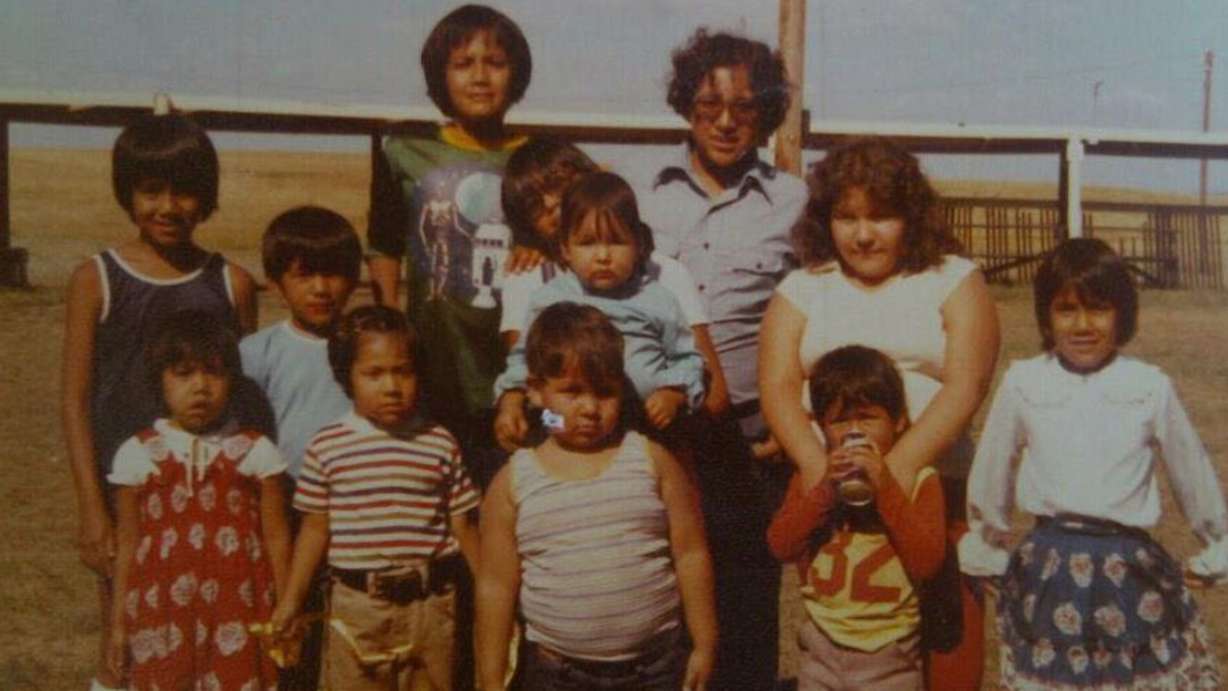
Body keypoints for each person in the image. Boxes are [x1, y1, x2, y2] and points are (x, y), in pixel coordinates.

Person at [759, 136, 999, 689]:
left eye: (882, 216)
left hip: (934, 485)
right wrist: (817, 465)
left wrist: (903, 465)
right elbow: (777, 385)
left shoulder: (953, 278)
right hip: (834, 496)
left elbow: (968, 383)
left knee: (949, 645)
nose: (863, 234)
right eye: (846, 217)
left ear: (911, 217)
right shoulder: (802, 288)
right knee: (852, 643)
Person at [962, 237, 1227, 689]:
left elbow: (1191, 471)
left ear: (1122, 314)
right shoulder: (1025, 382)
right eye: (1066, 309)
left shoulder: (1147, 386)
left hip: (1130, 570)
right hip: (1049, 572)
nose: (1082, 324)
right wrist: (984, 544)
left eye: (1098, 309)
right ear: (1047, 314)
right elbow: (993, 466)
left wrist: (1218, 543)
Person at [633, 28, 808, 690]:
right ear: (686, 107)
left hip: (750, 447)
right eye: (710, 106)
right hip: (659, 437)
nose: (727, 122)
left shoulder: (795, 203)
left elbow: (822, 318)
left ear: (767, 112)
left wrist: (797, 424)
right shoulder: (645, 200)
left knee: (743, 619)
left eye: (745, 107)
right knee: (660, 610)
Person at [61, 112, 258, 691]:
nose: (168, 206)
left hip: (212, 508)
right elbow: (74, 402)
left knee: (207, 648)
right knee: (123, 642)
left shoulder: (232, 283)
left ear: (208, 196)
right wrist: (92, 509)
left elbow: (243, 402)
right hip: (129, 501)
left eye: (185, 190)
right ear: (128, 194)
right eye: (151, 191)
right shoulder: (95, 279)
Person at [476, 302, 717, 691]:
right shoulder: (513, 482)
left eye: (604, 392)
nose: (589, 408)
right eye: (571, 392)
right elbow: (495, 586)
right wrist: (489, 678)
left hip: (655, 671)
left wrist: (705, 644)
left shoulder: (652, 461)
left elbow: (691, 554)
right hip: (558, 675)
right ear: (535, 392)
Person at [366, 3, 534, 489]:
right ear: (440, 75)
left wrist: (545, 244)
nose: (480, 77)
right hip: (435, 360)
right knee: (432, 490)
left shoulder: (540, 155)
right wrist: (390, 319)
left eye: (496, 64)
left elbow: (595, 203)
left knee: (511, 490)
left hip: (513, 368)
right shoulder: (405, 148)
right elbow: (382, 243)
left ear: (517, 74)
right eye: (463, 64)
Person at [270, 305, 481, 691]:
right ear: (346, 377)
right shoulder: (327, 446)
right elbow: (315, 530)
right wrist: (291, 599)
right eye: (374, 373)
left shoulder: (439, 441)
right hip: (358, 609)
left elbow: (462, 525)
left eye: (402, 371)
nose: (391, 386)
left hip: (431, 606)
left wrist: (488, 592)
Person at [106, 310, 290, 690]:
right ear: (160, 380)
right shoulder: (138, 454)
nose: (201, 387)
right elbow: (128, 544)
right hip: (162, 616)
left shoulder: (257, 452)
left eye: (214, 372)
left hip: (239, 612)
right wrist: (119, 623)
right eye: (184, 373)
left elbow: (276, 538)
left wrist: (284, 612)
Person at [498, 137, 729, 419]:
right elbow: (530, 394)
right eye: (534, 204)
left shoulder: (661, 277)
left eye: (559, 186)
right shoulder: (531, 282)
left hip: (657, 430)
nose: (552, 204)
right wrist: (571, 431)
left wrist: (672, 404)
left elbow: (714, 397)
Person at [768, 345, 946, 691]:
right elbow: (780, 546)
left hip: (891, 653)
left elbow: (927, 562)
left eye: (867, 417)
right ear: (822, 427)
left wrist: (885, 488)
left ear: (898, 421)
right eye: (839, 421)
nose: (854, 430)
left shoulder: (920, 481)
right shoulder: (812, 478)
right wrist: (823, 491)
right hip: (822, 647)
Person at [239, 205, 361, 690]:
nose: (320, 288)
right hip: (287, 512)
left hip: (357, 510)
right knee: (293, 632)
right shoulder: (257, 353)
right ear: (275, 283)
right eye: (304, 275)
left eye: (334, 274)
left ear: (354, 280)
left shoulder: (368, 346)